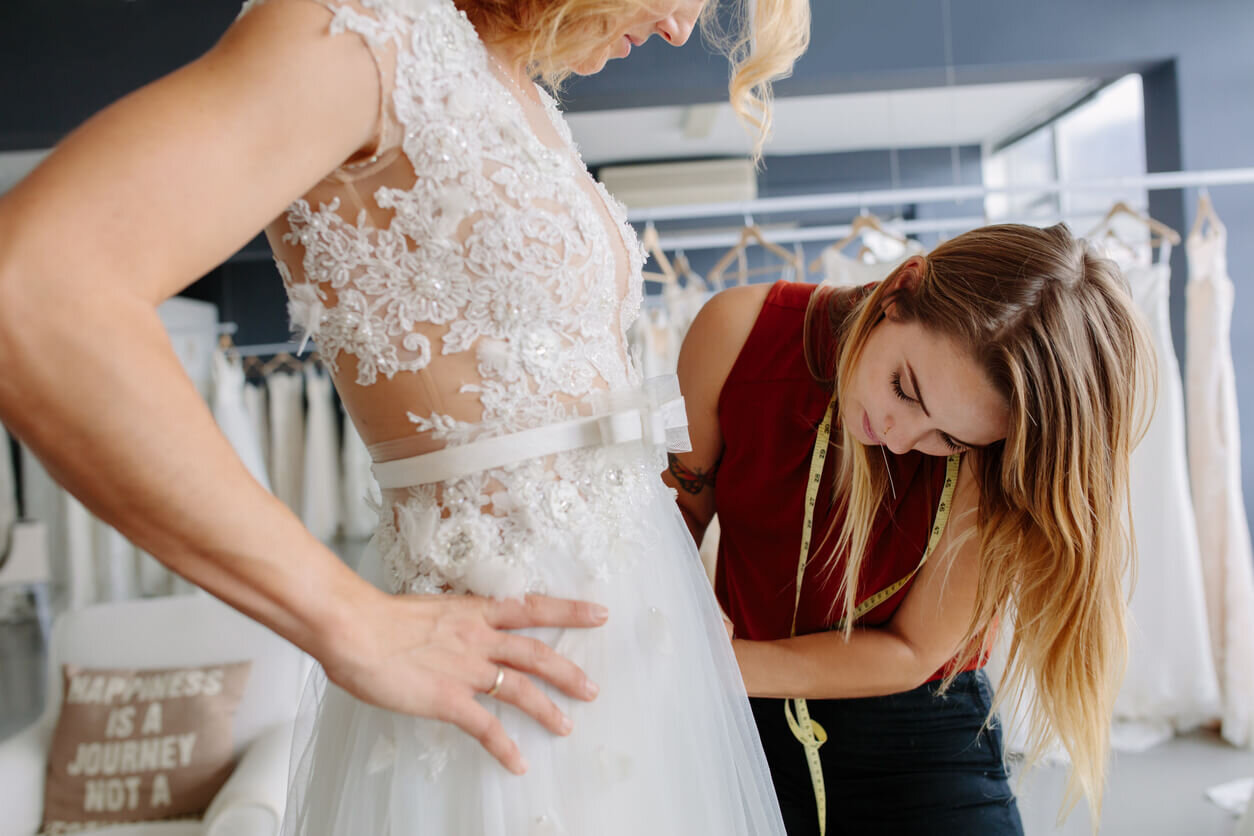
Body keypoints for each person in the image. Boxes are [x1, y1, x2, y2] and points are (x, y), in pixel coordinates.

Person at [0, 0, 810, 833]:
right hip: (496, 690)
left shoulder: (511, 81)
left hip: (637, 672)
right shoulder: (368, 33)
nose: (682, 27)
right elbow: (34, 289)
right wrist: (343, 619)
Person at [666, 223, 1154, 835]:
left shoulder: (1001, 450)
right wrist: (676, 612)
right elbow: (676, 514)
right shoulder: (735, 333)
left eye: (949, 439)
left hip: (925, 726)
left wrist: (717, 666)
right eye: (905, 388)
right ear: (901, 287)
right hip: (743, 724)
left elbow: (913, 650)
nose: (898, 438)